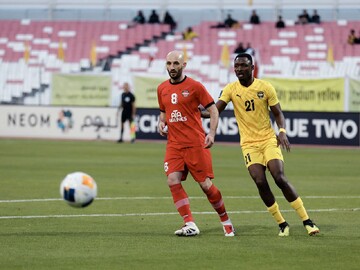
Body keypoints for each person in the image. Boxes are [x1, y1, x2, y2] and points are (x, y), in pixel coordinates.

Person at [203, 53, 320, 237]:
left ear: (252, 67)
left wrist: (282, 132)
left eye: (243, 66)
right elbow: (214, 111)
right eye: (236, 66)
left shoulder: (265, 87)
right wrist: (194, 110)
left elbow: (278, 113)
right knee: (260, 181)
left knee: (279, 177)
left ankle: (307, 220)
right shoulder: (230, 89)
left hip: (268, 140)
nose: (239, 69)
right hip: (249, 144)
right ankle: (282, 223)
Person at [156, 50, 235, 237]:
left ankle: (226, 220)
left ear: (184, 65)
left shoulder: (195, 87)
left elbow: (213, 110)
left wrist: (212, 133)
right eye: (169, 64)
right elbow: (163, 112)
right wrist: (161, 122)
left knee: (206, 186)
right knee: (172, 180)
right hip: (174, 145)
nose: (172, 67)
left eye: (176, 63)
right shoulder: (161, 89)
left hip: (195, 144)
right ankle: (189, 223)